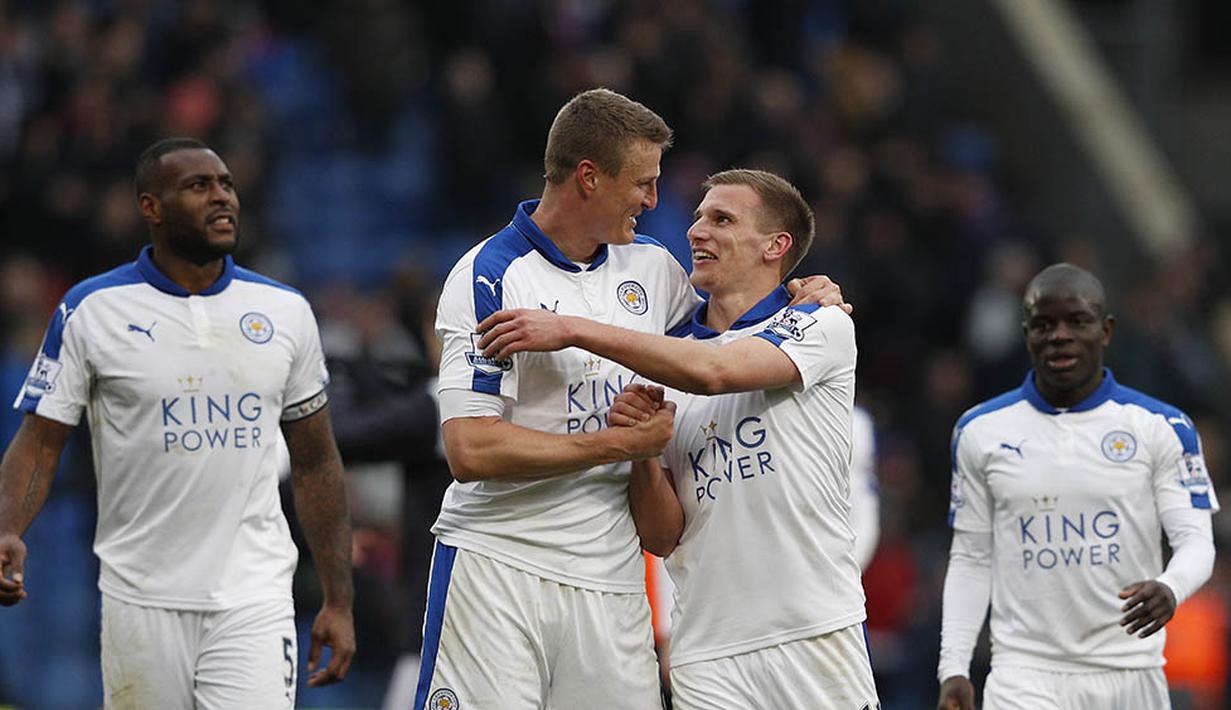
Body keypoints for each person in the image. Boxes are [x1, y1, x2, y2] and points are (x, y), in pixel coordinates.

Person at [422, 91, 845, 710]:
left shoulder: (654, 270)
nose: (652, 201)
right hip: (500, 563)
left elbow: (724, 341)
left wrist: (801, 291)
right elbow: (470, 450)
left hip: (613, 577)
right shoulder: (488, 275)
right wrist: (615, 445)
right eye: (643, 183)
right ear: (589, 178)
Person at [0, 138, 356, 708]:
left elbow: (315, 459)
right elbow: (41, 443)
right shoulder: (92, 310)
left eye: (226, 185)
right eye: (198, 186)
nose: (222, 197)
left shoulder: (285, 311)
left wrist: (339, 598)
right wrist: (7, 528)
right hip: (140, 600)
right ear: (151, 207)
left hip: (255, 597)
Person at [936, 263, 1218, 710]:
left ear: (1106, 331)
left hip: (1130, 670)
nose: (1060, 336)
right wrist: (953, 667)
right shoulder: (980, 431)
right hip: (1023, 674)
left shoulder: (1162, 427)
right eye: (1044, 325)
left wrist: (1171, 587)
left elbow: (1196, 542)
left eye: (1077, 321)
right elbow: (971, 558)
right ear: (1027, 334)